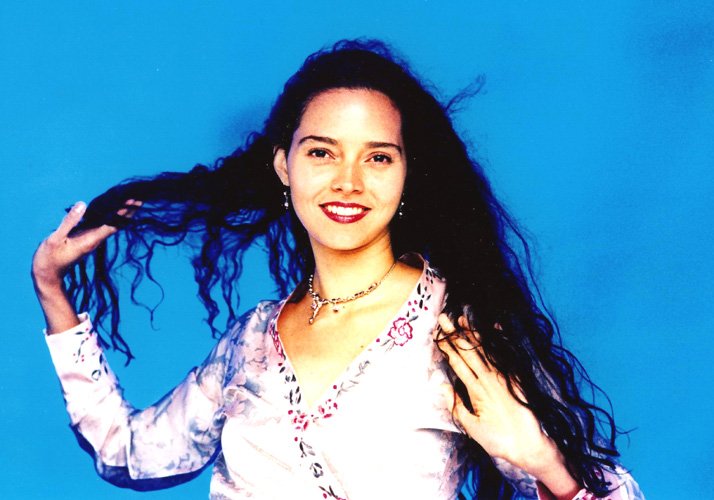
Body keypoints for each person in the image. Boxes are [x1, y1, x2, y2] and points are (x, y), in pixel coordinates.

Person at [32, 40, 643, 499]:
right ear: (284, 166)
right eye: (322, 152)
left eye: (378, 158)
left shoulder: (458, 334)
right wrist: (53, 291)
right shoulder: (251, 341)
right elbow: (128, 454)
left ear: (406, 176)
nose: (348, 182)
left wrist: (542, 460)